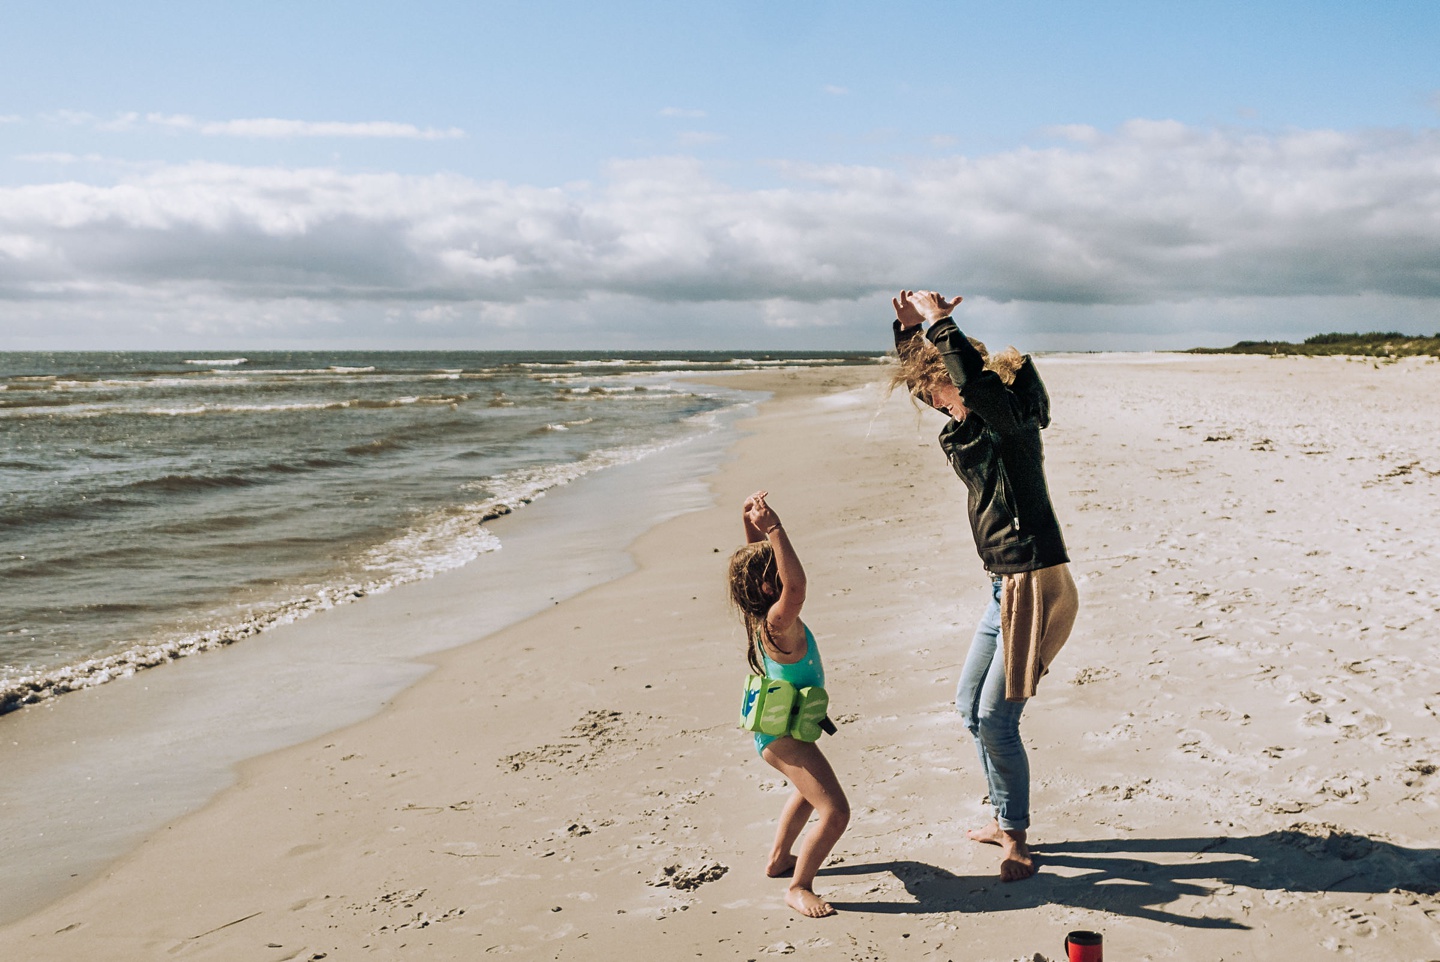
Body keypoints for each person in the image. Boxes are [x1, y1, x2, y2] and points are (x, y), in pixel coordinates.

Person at [889, 289, 1079, 882]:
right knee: (969, 708)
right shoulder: (969, 423)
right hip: (1004, 587)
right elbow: (945, 381)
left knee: (998, 720)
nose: (931, 402)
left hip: (1033, 583)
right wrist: (905, 334)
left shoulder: (1007, 421)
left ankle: (1016, 840)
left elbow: (973, 383)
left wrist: (942, 322)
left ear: (957, 381)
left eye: (933, 391)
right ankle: (1003, 816)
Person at [728, 490, 850, 918]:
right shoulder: (780, 621)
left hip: (779, 731)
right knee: (835, 812)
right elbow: (795, 585)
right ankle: (799, 886)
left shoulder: (761, 612)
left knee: (808, 792)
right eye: (773, 572)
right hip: (781, 737)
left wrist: (751, 525)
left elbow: (759, 567)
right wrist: (775, 528)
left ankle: (780, 858)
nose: (781, 575)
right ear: (768, 586)